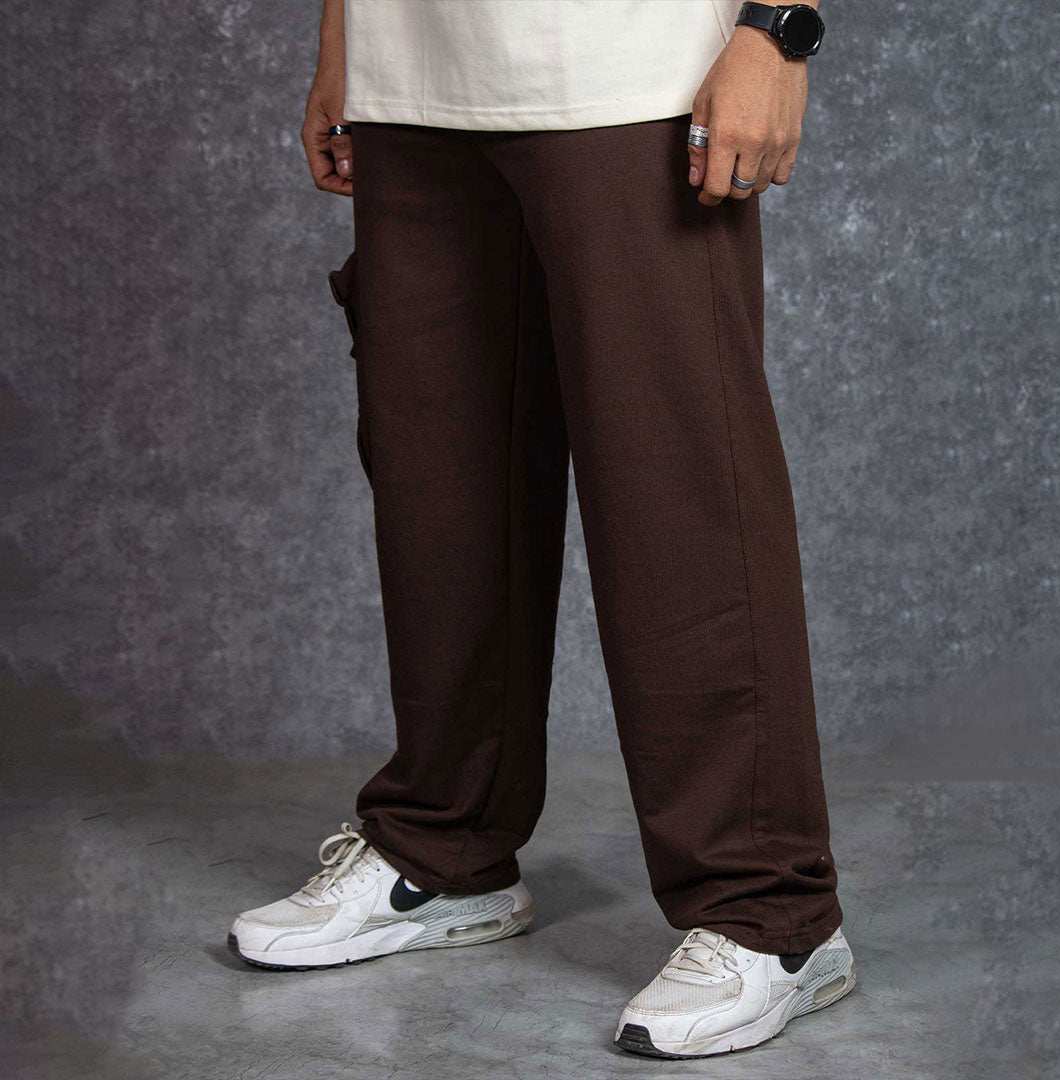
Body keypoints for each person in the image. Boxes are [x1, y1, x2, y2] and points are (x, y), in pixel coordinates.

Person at [228, 0, 856, 1058]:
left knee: (676, 492)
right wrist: (346, 42)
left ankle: (772, 911)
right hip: (413, 72)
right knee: (438, 483)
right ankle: (447, 847)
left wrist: (776, 28)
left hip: (636, 72)